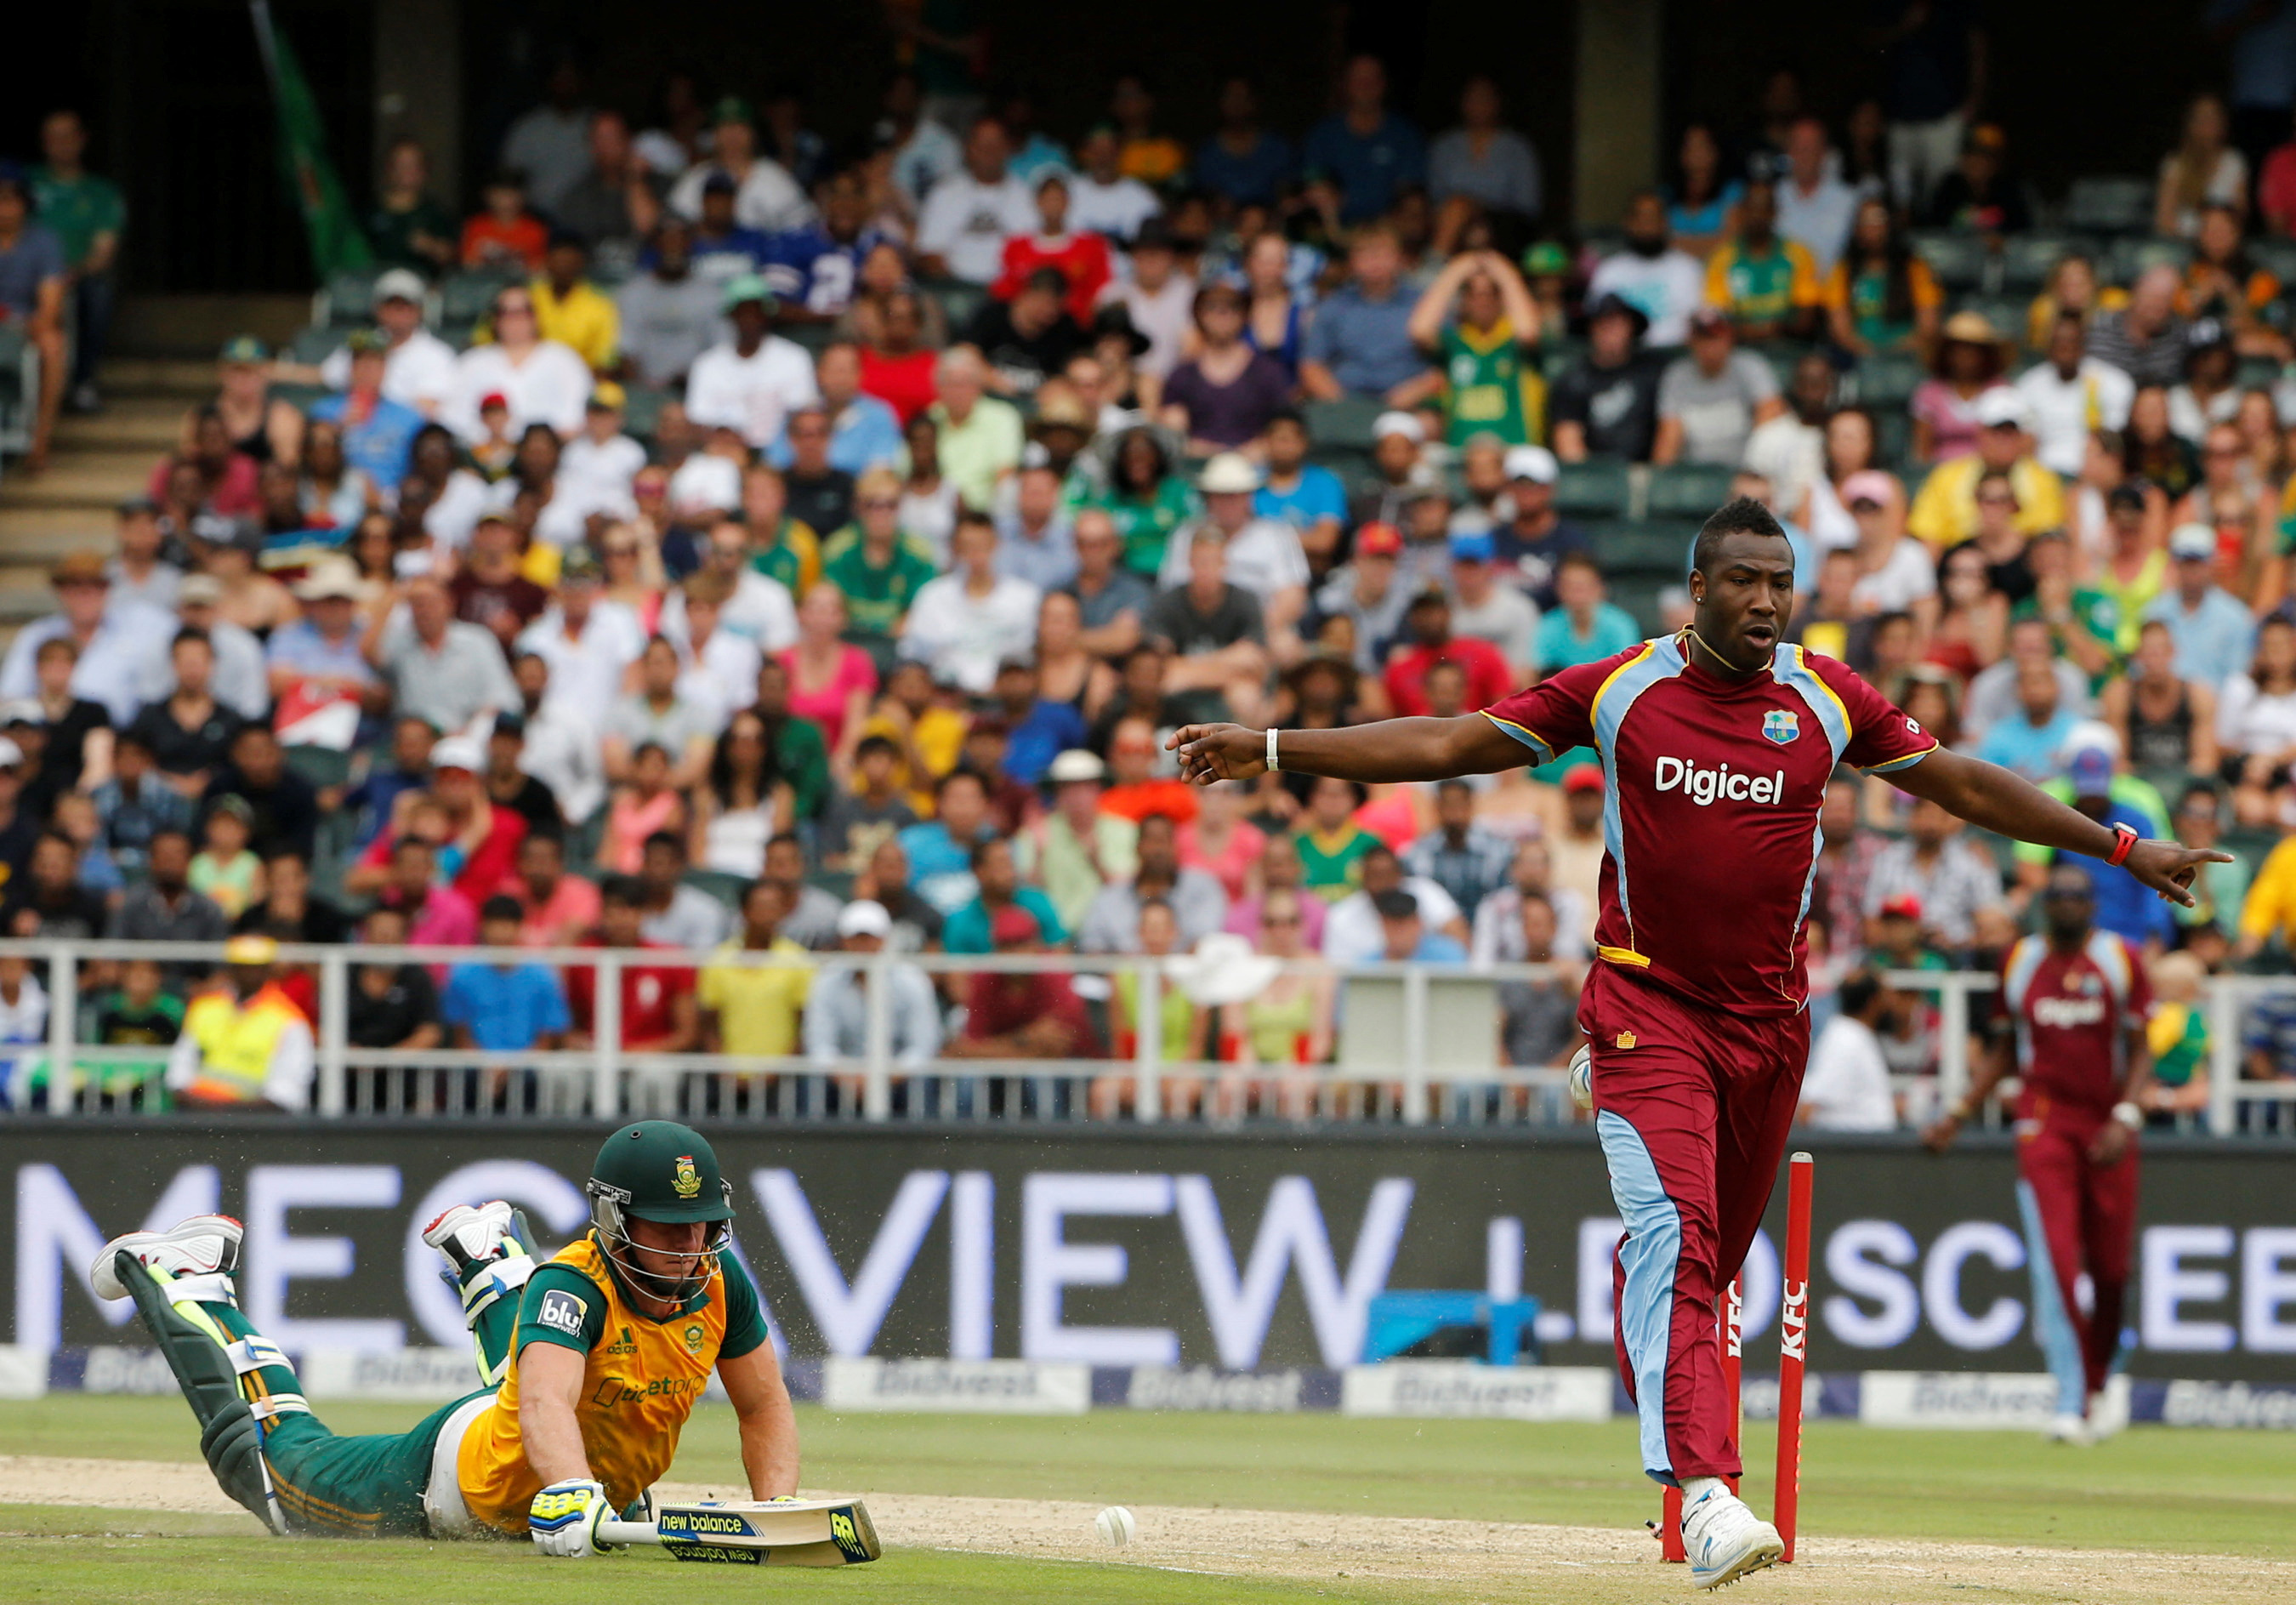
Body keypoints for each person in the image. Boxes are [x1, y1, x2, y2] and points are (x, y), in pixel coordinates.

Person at [1166, 496, 2223, 1584]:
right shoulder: (1623, 689)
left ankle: (1659, 1332)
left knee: (1698, 1265)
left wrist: (2119, 846)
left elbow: (1957, 780)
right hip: (1645, 1007)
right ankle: (1708, 1497)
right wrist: (1277, 747)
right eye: (1745, 581)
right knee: (1677, 1231)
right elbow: (1451, 738)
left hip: (1771, 1025)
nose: (1766, 601)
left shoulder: (1824, 695)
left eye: (1781, 581)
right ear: (1698, 589)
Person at [90, 1122, 795, 1546]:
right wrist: (578, 1493)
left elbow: (764, 1406)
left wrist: (778, 1512)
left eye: (703, 1222)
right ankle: (187, 1278)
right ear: (615, 1221)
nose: (692, 1242)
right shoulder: (572, 1287)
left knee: (529, 1392)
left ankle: (487, 1254)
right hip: (451, 1487)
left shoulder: (720, 1281)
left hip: (575, 1480)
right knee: (276, 1473)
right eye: (671, 1228)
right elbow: (545, 1404)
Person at [1925, 864, 2151, 1443]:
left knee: (2112, 1270)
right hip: (2044, 1122)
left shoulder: (2120, 959)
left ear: (2093, 905)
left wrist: (2126, 1116)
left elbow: (2141, 1045)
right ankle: (2071, 1396)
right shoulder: (2020, 960)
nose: (2069, 904)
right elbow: (2005, 1049)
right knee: (2057, 1262)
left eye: (2079, 896)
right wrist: (1959, 1110)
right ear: (2046, 904)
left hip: (2107, 1125)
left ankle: (2100, 1378)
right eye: (2060, 896)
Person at [162, 936, 311, 1111]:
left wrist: (229, 1112)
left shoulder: (288, 1019)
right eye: (241, 967)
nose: (247, 973)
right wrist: (198, 1102)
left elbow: (287, 1092)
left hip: (255, 1121)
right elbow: (180, 1070)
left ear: (267, 971)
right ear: (230, 969)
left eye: (254, 968)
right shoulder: (205, 1008)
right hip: (198, 1113)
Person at [1299, 223, 1437, 407]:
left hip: (1412, 405)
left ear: (1399, 258)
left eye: (1382, 253)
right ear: (1352, 261)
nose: (1375, 261)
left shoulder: (1425, 303)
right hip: (1344, 403)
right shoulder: (1333, 305)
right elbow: (1311, 365)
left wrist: (1419, 390)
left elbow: (1450, 361)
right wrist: (1343, 405)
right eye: (1365, 255)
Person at [803, 899, 941, 1077]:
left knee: (920, 1081)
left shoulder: (912, 979)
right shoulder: (826, 980)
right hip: (842, 1077)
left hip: (899, 1078)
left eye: (869, 938)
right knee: (815, 1082)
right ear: (843, 941)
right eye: (856, 938)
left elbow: (923, 1045)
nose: (863, 945)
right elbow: (819, 1044)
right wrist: (844, 1075)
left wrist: (891, 1075)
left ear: (884, 939)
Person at [685, 276, 819, 452]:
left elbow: (804, 416)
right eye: (742, 312)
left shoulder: (795, 358)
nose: (749, 318)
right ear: (731, 316)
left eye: (756, 311)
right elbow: (699, 422)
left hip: (781, 456)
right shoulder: (707, 364)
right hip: (724, 454)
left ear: (766, 315)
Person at [1652, 308, 1784, 468]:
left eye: (1715, 337)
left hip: (1744, 473)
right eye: (1702, 338)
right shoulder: (1677, 376)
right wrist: (1660, 480)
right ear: (1691, 341)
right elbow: (1668, 438)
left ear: (1729, 337)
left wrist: (1754, 471)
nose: (1709, 346)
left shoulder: (1750, 366)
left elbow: (1770, 418)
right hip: (1695, 476)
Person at [1302, 55, 1427, 224]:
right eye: (1358, 80)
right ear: (1345, 85)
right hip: (1334, 226)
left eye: (1372, 79)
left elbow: (1410, 189)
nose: (1365, 86)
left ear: (1383, 84)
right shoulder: (1324, 134)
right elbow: (1312, 179)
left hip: (1390, 228)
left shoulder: (1404, 134)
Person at [916, 117, 1036, 285]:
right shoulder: (944, 193)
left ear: (1008, 149)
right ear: (969, 149)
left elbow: (1034, 253)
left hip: (1010, 293)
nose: (988, 151)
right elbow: (929, 253)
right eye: (982, 145)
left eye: (995, 145)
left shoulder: (1026, 195)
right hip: (954, 289)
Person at [1548, 296, 1663, 464]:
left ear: (1631, 327)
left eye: (1617, 324)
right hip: (1594, 476)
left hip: (1646, 473)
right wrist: (1596, 480)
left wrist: (1654, 477)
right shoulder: (1573, 380)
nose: (1610, 331)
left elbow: (1668, 433)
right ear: (1591, 329)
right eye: (1602, 324)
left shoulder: (1653, 374)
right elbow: (1568, 444)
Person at [1585, 191, 1706, 347]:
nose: (1647, 226)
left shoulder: (1688, 269)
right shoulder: (1610, 270)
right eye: (1640, 218)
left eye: (1653, 218)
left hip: (1674, 357)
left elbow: (1701, 323)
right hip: (1623, 362)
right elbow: (1596, 323)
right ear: (1628, 222)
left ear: (1665, 222)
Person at [1798, 967, 1899, 1130]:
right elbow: (1808, 1108)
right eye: (1886, 996)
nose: (1892, 1004)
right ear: (1872, 1002)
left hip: (1871, 1146)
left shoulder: (1856, 1035)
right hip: (1851, 1149)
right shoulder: (1846, 1040)